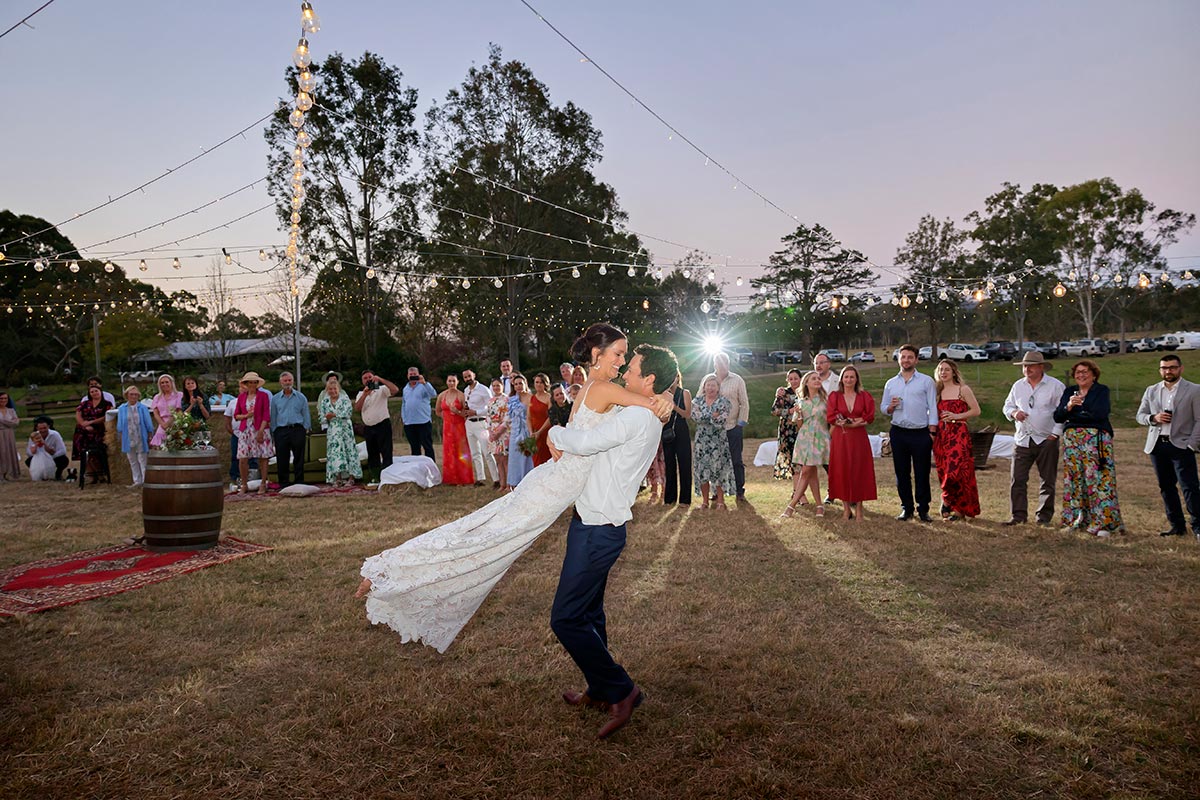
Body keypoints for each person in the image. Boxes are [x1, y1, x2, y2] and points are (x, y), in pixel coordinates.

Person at [355, 322, 672, 660]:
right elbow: (649, 401)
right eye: (619, 354)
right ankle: (391, 571)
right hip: (555, 486)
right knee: (491, 540)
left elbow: (650, 396)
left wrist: (665, 395)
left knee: (489, 532)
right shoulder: (603, 388)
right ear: (597, 354)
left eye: (626, 357)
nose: (622, 362)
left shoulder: (595, 386)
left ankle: (393, 571)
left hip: (556, 483)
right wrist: (664, 400)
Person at [546, 343, 679, 739]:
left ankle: (622, 690)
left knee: (565, 618)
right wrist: (667, 395)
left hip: (600, 529)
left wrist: (554, 431)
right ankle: (600, 687)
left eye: (633, 367)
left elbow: (584, 443)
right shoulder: (642, 404)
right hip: (593, 521)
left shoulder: (639, 417)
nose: (626, 373)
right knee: (589, 614)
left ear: (648, 378)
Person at [1053, 360, 1124, 537]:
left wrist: (1078, 413)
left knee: (1099, 480)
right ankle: (1076, 519)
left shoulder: (1101, 390)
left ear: (1093, 374)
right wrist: (1069, 406)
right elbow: (1058, 416)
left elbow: (1100, 414)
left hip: (1096, 440)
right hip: (1072, 442)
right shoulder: (1069, 392)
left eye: (1085, 372)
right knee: (1075, 480)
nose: (1081, 375)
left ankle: (1104, 523)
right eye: (1077, 372)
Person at [1135, 354, 1200, 538]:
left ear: (1180, 368)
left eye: (1172, 367)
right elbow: (1140, 416)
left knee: (1190, 487)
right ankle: (1177, 526)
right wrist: (1153, 418)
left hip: (1181, 445)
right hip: (1157, 445)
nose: (1168, 371)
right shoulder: (1152, 390)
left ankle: (1198, 526)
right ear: (1160, 370)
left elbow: (1199, 420)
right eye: (1164, 368)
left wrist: (1191, 445)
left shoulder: (1194, 390)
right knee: (1166, 486)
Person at [1001, 351, 1065, 527]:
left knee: (1047, 480)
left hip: (1047, 440)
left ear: (1041, 367)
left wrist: (1055, 434)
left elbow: (1064, 412)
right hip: (1023, 440)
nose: (1027, 369)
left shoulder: (1055, 386)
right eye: (1024, 366)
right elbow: (1007, 406)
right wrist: (1014, 413)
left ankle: (1043, 517)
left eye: (1031, 365)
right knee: (1018, 479)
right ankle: (1018, 516)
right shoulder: (1018, 386)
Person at [881, 344, 938, 522]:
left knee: (922, 473)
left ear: (916, 360)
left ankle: (923, 509)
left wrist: (932, 431)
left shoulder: (926, 381)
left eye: (909, 357)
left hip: (920, 433)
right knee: (901, 472)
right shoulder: (891, 383)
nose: (906, 360)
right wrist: (889, 407)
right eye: (903, 357)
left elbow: (933, 407)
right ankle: (906, 508)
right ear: (898, 359)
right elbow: (883, 407)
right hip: (898, 432)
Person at [932, 359, 981, 521]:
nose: (943, 372)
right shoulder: (936, 391)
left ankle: (948, 501)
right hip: (941, 436)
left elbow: (976, 410)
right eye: (941, 370)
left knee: (957, 472)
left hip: (958, 434)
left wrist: (956, 416)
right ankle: (954, 507)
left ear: (954, 372)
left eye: (947, 369)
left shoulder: (963, 389)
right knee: (943, 471)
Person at [826, 365, 877, 522]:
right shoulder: (834, 396)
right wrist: (846, 423)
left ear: (856, 379)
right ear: (841, 379)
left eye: (852, 377)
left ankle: (859, 509)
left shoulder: (864, 396)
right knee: (841, 470)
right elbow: (830, 416)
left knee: (859, 470)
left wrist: (857, 422)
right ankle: (846, 509)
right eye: (846, 377)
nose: (848, 380)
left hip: (859, 437)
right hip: (841, 437)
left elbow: (869, 415)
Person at [698, 352, 749, 502]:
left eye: (724, 363)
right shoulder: (707, 380)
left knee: (736, 461)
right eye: (718, 363)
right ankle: (716, 492)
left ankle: (739, 491)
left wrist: (740, 424)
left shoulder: (737, 380)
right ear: (714, 364)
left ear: (728, 363)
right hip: (713, 429)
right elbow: (700, 400)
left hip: (732, 427)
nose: (721, 365)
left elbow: (744, 403)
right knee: (714, 461)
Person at [782, 371, 830, 517]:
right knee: (811, 473)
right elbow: (799, 425)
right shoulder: (801, 402)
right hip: (804, 439)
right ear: (807, 383)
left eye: (818, 378)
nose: (817, 380)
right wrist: (799, 414)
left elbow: (829, 421)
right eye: (813, 378)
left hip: (820, 439)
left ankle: (791, 506)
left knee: (807, 471)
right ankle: (819, 506)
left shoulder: (826, 401)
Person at [692, 374, 735, 510]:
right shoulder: (697, 401)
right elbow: (695, 417)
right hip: (701, 442)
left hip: (718, 442)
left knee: (719, 470)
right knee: (702, 471)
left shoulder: (724, 402)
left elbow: (721, 420)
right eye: (708, 385)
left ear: (718, 388)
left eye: (713, 385)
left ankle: (720, 501)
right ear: (704, 386)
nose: (710, 388)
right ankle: (705, 501)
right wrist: (712, 415)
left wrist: (705, 416)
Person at [233, 371, 274, 495]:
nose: (252, 385)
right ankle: (244, 484)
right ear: (246, 383)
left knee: (263, 457)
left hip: (260, 428)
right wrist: (246, 415)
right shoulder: (241, 397)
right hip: (245, 430)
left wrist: (261, 431)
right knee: (242, 458)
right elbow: (236, 415)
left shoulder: (263, 396)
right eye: (250, 382)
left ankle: (263, 483)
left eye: (254, 382)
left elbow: (266, 415)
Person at [318, 372, 361, 487]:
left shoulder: (344, 398)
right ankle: (338, 478)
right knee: (335, 453)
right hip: (333, 430)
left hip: (345, 429)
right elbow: (322, 416)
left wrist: (334, 414)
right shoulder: (325, 401)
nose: (333, 391)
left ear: (338, 389)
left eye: (335, 389)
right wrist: (327, 417)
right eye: (330, 389)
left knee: (349, 451)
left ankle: (351, 478)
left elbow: (348, 412)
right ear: (327, 390)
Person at [270, 371, 311, 488]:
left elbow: (305, 413)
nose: (287, 383)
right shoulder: (275, 399)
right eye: (285, 381)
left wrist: (305, 428)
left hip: (297, 429)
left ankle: (299, 482)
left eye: (289, 380)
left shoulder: (301, 397)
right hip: (281, 430)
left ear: (293, 381)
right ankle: (284, 483)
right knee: (282, 458)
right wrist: (274, 431)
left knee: (299, 457)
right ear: (280, 382)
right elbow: (273, 415)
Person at [358, 369, 403, 475]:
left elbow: (395, 389)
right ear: (362, 381)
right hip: (369, 427)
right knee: (372, 454)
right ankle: (375, 476)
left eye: (370, 377)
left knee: (386, 451)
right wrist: (365, 394)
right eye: (365, 378)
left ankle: (388, 476)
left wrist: (380, 379)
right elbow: (358, 408)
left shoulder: (382, 390)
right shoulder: (361, 394)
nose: (368, 379)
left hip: (382, 425)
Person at [462, 369, 497, 487]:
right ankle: (480, 478)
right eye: (465, 377)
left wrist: (476, 412)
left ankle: (496, 479)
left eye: (469, 376)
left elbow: (491, 406)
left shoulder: (483, 389)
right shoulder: (466, 390)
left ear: (474, 375)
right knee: (475, 453)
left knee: (487, 452)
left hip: (481, 423)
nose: (468, 379)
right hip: (469, 423)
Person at [437, 374, 474, 486]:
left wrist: (457, 412)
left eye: (454, 381)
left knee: (461, 451)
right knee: (448, 451)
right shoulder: (442, 395)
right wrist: (446, 417)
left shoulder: (461, 396)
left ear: (457, 382)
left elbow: (466, 414)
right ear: (446, 382)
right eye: (449, 381)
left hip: (459, 426)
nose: (451, 383)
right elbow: (438, 411)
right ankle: (450, 479)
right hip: (447, 427)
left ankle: (463, 478)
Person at [661, 375, 693, 506]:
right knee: (669, 465)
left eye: (674, 377)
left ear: (678, 378)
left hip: (681, 430)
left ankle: (685, 500)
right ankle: (670, 498)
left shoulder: (685, 393)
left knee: (684, 464)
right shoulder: (663, 394)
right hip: (667, 430)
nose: (671, 380)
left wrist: (674, 407)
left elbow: (687, 414)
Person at [73, 383, 112, 482]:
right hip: (83, 430)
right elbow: (78, 414)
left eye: (96, 391)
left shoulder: (106, 404)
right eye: (92, 392)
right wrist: (84, 424)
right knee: (84, 453)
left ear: (100, 392)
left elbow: (106, 417)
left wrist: (92, 422)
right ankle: (91, 474)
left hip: (98, 429)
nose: (94, 393)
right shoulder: (85, 404)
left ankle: (100, 474)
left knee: (96, 454)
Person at [116, 385, 153, 486]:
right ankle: (137, 481)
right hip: (128, 437)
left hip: (141, 435)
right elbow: (120, 424)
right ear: (127, 395)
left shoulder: (143, 408)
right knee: (132, 460)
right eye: (131, 394)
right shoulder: (122, 408)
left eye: (136, 394)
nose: (134, 396)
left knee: (142, 459)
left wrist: (150, 435)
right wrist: (120, 437)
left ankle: (145, 481)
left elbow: (148, 423)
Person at [771, 369, 802, 481]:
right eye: (791, 379)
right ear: (787, 380)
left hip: (801, 429)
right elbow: (774, 411)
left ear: (800, 379)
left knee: (801, 460)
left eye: (796, 378)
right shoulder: (784, 393)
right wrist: (789, 411)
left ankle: (798, 491)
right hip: (787, 431)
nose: (793, 381)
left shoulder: (805, 392)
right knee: (792, 459)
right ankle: (797, 491)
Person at [506, 374, 535, 487]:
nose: (518, 386)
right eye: (516, 384)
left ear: (525, 384)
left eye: (520, 383)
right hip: (515, 432)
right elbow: (509, 417)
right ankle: (514, 482)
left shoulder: (531, 397)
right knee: (514, 458)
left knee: (527, 457)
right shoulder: (512, 399)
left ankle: (528, 482)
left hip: (527, 431)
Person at [486, 378, 510, 491]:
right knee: (498, 459)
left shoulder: (507, 399)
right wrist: (490, 431)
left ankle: (509, 484)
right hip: (493, 431)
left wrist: (499, 431)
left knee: (505, 459)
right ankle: (502, 483)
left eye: (498, 385)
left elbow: (507, 417)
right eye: (494, 386)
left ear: (502, 386)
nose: (496, 388)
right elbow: (488, 417)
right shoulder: (490, 401)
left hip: (503, 431)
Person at [148, 374, 183, 448]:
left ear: (171, 383)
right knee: (160, 448)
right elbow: (156, 413)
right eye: (162, 383)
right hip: (162, 424)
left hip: (175, 422)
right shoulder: (157, 397)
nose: (164, 384)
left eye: (166, 382)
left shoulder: (179, 395)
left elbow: (179, 411)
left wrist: (168, 423)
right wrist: (163, 424)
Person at [530, 373, 553, 466]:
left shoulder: (549, 398)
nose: (538, 384)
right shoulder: (532, 398)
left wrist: (540, 431)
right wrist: (531, 432)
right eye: (537, 382)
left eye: (541, 382)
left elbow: (550, 417)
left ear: (545, 384)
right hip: (534, 433)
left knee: (546, 459)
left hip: (545, 432)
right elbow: (528, 417)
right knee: (536, 459)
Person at [0, 390, 20, 480]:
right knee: (1, 453)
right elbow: (13, 422)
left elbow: (16, 423)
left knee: (9, 452)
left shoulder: (11, 411)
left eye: (5, 398)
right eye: (1, 398)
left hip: (9, 434)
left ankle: (10, 473)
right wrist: (9, 422)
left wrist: (2, 422)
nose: (3, 400)